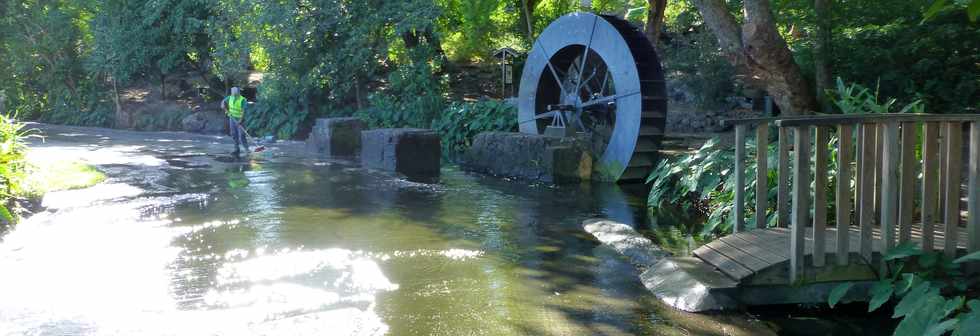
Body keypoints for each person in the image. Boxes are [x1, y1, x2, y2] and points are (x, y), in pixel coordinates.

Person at [221, 87, 249, 157]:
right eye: (232, 93)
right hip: (232, 118)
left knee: (242, 135)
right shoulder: (230, 97)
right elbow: (223, 102)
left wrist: (240, 120)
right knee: (233, 134)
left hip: (240, 119)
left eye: (234, 93)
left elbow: (243, 111)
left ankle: (247, 150)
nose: (233, 94)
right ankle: (236, 149)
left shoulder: (243, 100)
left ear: (238, 93)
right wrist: (223, 106)